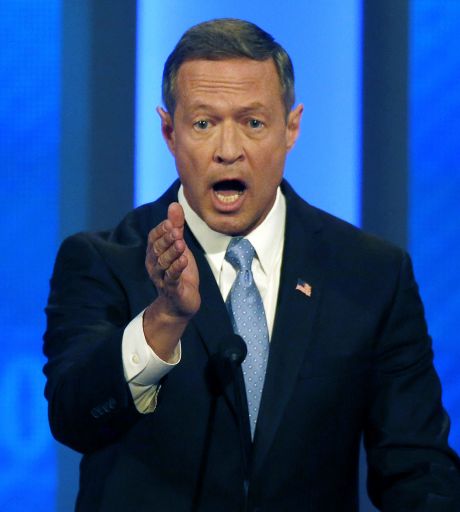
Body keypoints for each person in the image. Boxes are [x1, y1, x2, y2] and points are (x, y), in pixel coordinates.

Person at [44, 18, 460, 511]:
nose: (228, 150)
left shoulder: (369, 274)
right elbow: (74, 418)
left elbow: (417, 468)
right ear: (168, 131)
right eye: (203, 123)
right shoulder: (105, 261)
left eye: (253, 122)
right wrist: (164, 319)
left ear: (291, 128)